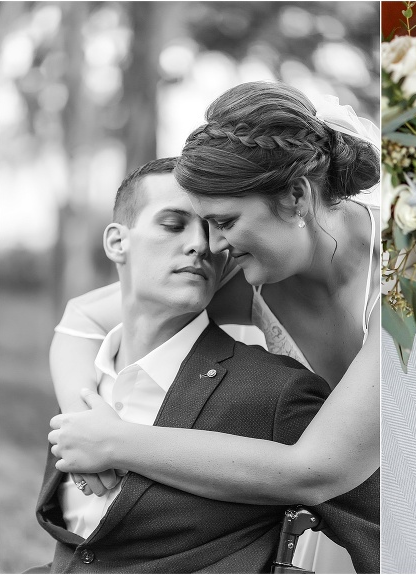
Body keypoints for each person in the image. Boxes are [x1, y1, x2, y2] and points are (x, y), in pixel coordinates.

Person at [46, 83, 380, 570]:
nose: (212, 245)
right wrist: (84, 427)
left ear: (295, 197)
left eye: (223, 221)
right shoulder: (252, 268)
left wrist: (114, 441)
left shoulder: (408, 277)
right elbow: (82, 319)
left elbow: (317, 469)